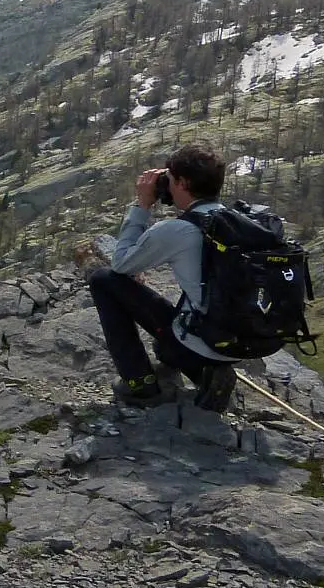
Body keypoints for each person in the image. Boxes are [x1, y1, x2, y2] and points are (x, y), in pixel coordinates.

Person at [87, 144, 239, 410]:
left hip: (206, 341)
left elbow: (120, 264)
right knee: (166, 342)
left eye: (168, 179)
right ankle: (206, 367)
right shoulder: (237, 221)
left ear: (182, 183)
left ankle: (141, 384)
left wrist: (143, 205)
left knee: (103, 280)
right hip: (240, 340)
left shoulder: (179, 230)